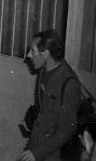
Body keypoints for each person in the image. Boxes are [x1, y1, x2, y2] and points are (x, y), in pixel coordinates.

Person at [18, 29, 82, 161]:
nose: (29, 55)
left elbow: (67, 130)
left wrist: (37, 153)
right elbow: (47, 110)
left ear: (46, 54)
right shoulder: (44, 72)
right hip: (37, 144)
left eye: (33, 51)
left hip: (53, 155)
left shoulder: (69, 84)